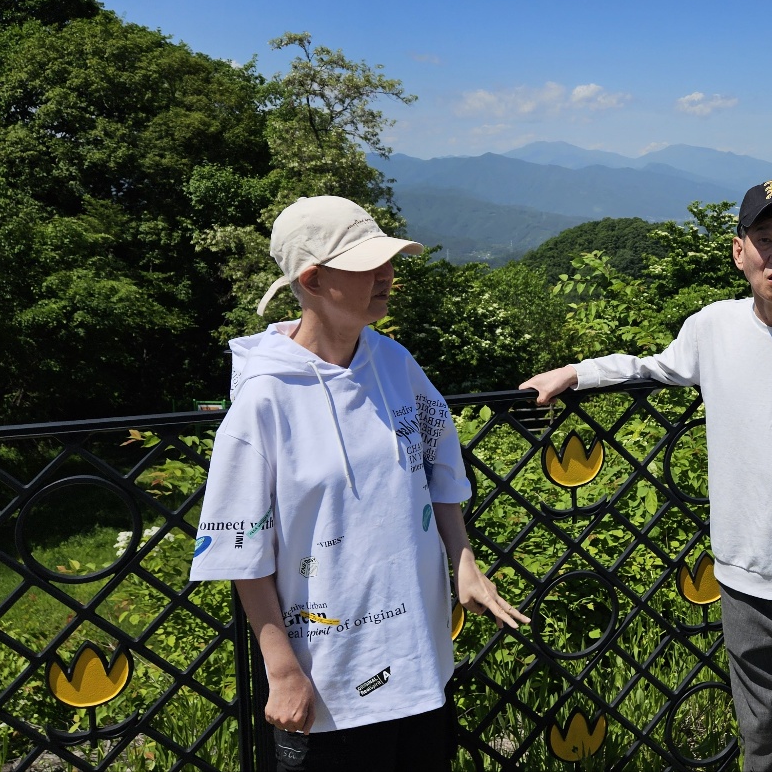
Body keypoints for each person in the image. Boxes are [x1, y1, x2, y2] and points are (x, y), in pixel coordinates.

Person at [520, 179, 772, 771]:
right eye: (765, 238)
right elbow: (652, 366)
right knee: (761, 737)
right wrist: (577, 372)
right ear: (739, 251)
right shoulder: (713, 328)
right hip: (742, 577)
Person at [190, 195, 528, 772]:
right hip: (327, 679)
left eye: (387, 260)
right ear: (313, 279)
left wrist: (464, 562)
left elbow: (439, 466)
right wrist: (282, 670)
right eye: (367, 264)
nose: (387, 274)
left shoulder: (395, 364)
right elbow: (241, 547)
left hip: (419, 659)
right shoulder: (264, 398)